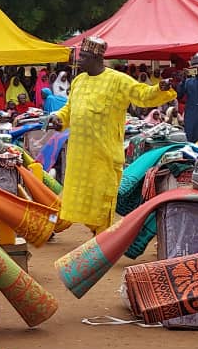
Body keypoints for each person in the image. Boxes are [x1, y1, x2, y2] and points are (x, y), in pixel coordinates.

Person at [47, 37, 174, 232]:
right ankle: (54, 228)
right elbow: (69, 109)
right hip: (79, 156)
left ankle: (100, 243)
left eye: (84, 56)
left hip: (103, 156)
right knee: (75, 197)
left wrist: (160, 89)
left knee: (101, 202)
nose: (79, 60)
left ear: (97, 58)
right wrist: (58, 119)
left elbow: (143, 95)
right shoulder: (79, 81)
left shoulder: (118, 80)